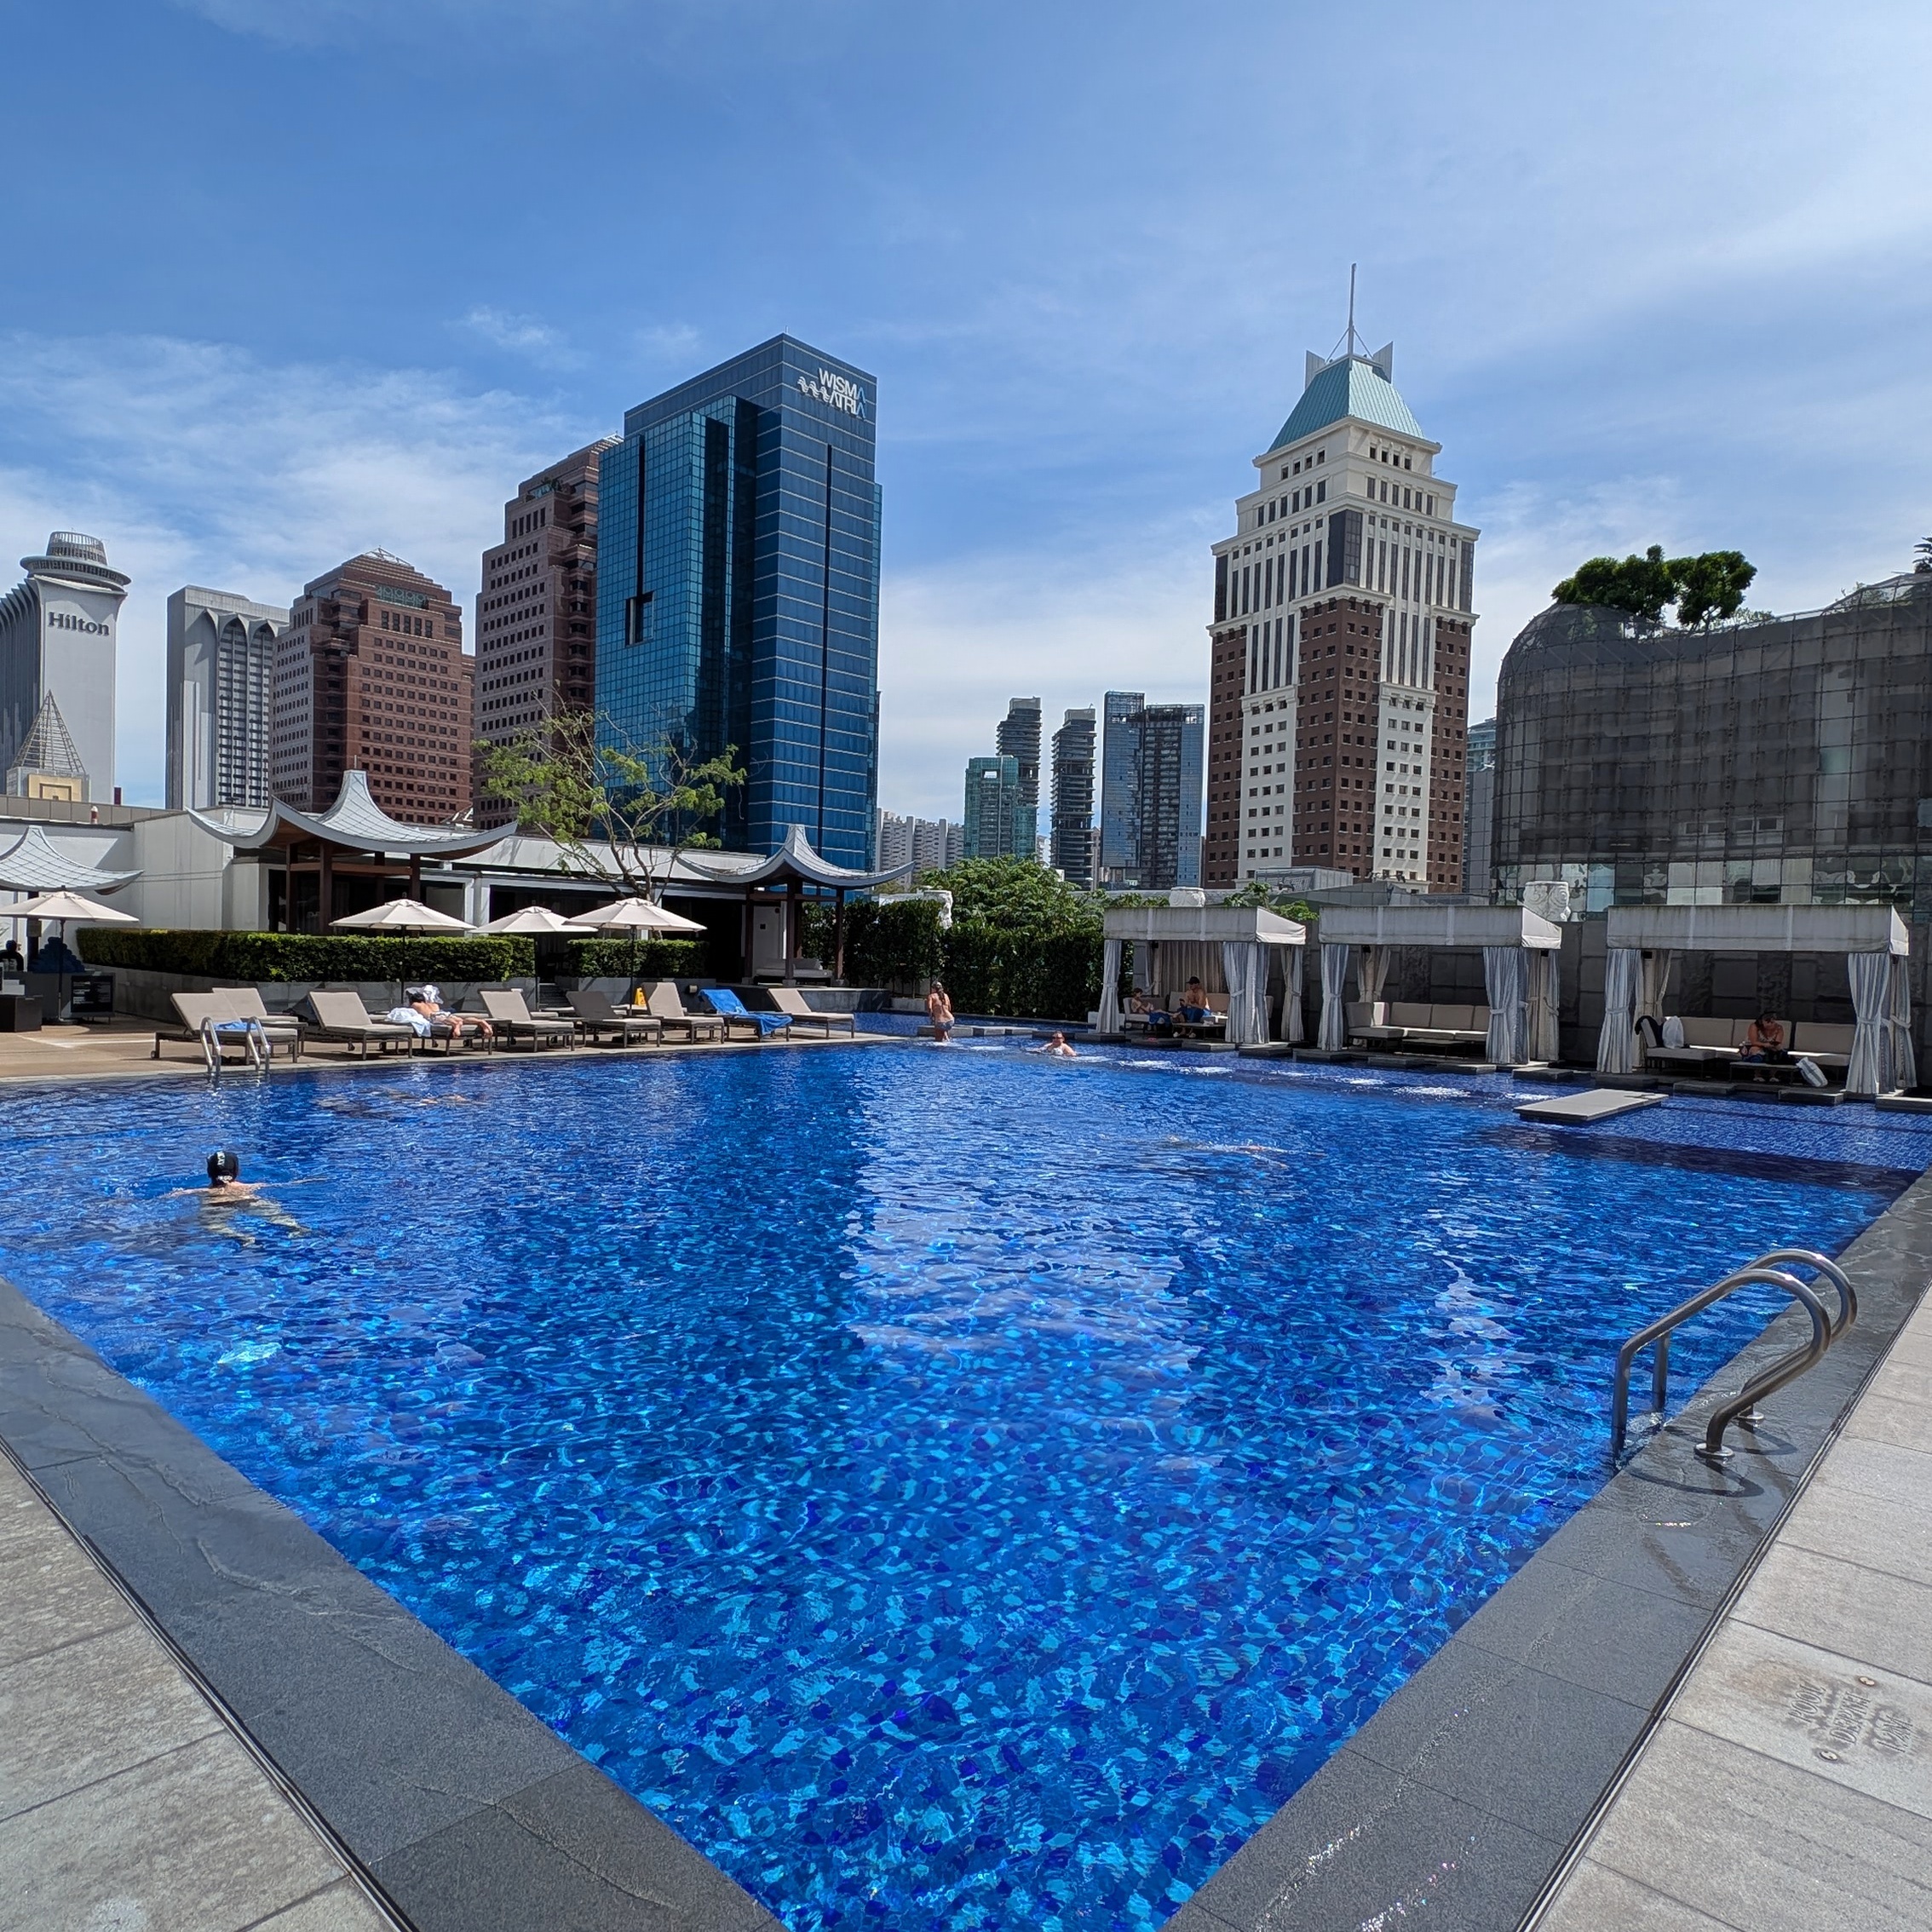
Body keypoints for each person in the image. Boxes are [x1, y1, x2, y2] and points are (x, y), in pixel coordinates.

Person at [926, 979, 954, 1044]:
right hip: (950, 1020)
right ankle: (946, 1038)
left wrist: (931, 1017)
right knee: (945, 1033)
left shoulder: (931, 996)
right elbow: (949, 1008)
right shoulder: (946, 996)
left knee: (938, 1040)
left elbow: (930, 1008)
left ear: (933, 989)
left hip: (940, 1021)